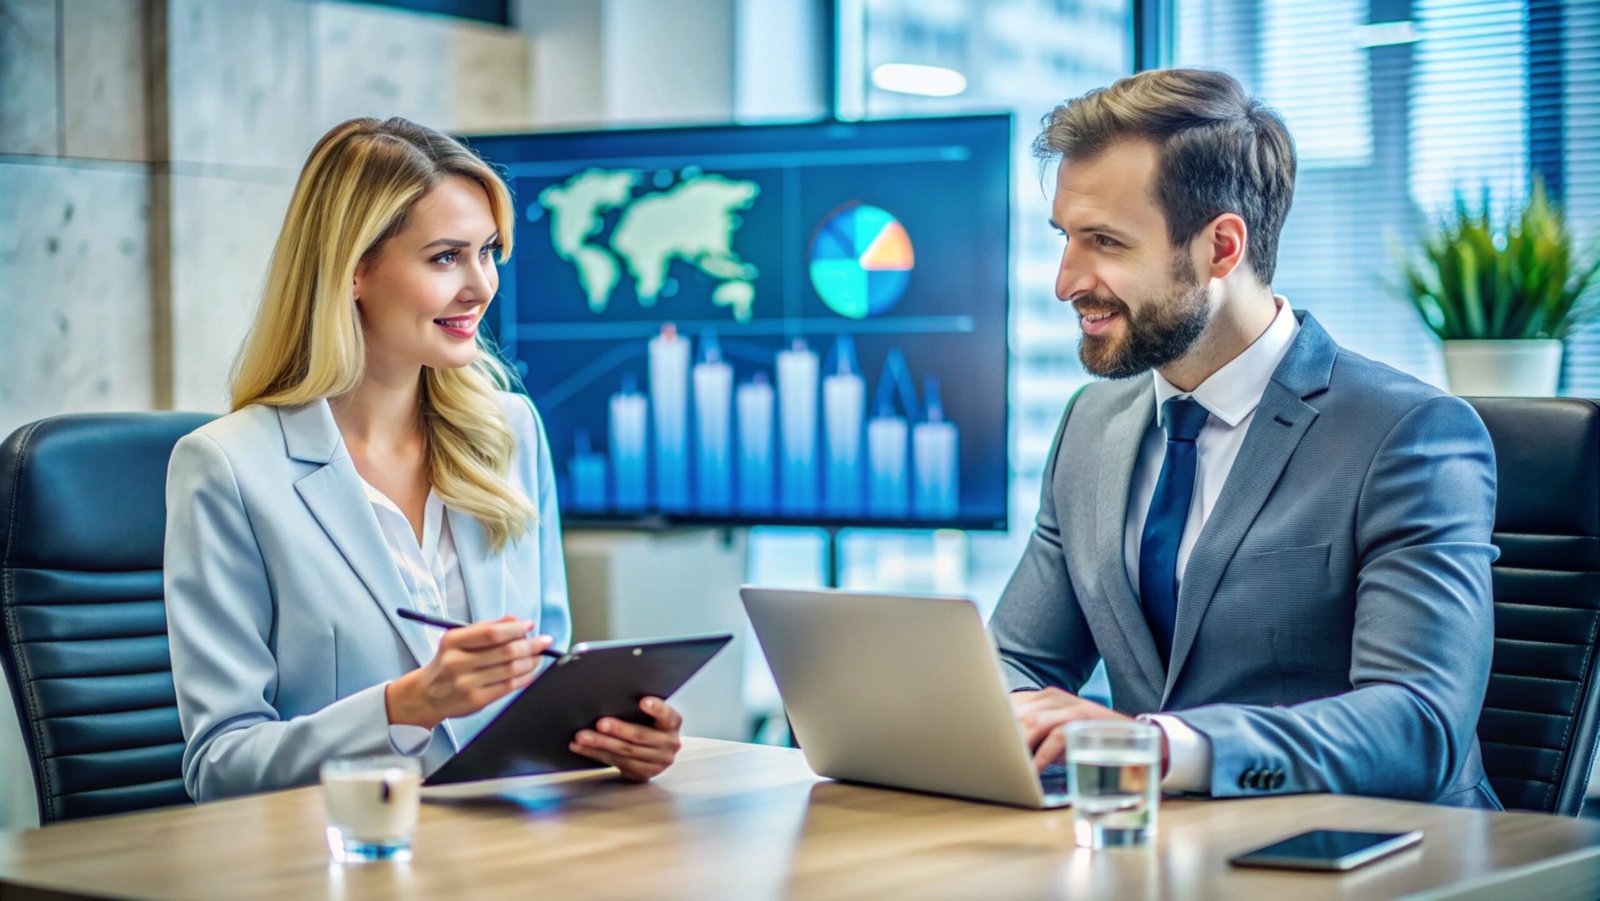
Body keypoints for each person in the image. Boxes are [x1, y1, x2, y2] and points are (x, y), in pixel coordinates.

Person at [990, 68, 1501, 808]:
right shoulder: (1090, 428)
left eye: (1103, 240)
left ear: (1221, 247)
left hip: (1382, 861)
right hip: (1163, 856)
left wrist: (1165, 748)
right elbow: (1017, 660)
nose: (1066, 280)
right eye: (1066, 238)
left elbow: (1418, 724)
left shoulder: (1410, 436)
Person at [164, 117, 683, 802]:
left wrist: (612, 740)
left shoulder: (509, 434)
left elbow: (545, 689)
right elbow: (220, 767)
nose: (480, 286)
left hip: (504, 852)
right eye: (445, 258)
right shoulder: (228, 468)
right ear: (353, 272)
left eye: (488, 252)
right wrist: (404, 705)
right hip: (340, 860)